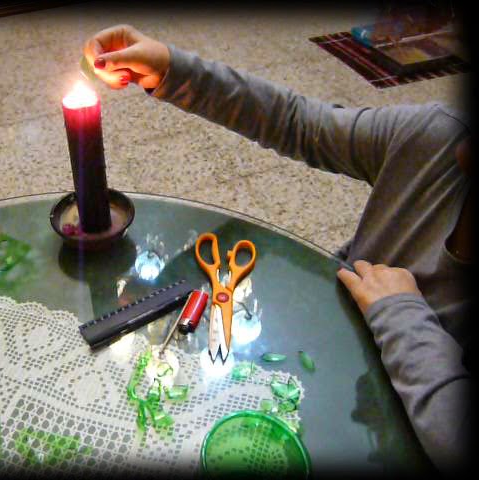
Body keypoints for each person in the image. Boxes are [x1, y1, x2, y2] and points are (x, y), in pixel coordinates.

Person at [83, 24, 472, 474]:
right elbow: (299, 123)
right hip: (331, 371)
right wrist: (172, 70)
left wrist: (401, 315)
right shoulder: (438, 140)